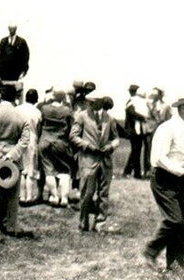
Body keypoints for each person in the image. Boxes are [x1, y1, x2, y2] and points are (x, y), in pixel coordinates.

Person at [143, 95, 184, 273]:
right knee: (174, 219)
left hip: (178, 180)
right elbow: (159, 158)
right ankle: (150, 251)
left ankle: (176, 267)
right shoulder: (167, 128)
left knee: (179, 225)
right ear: (183, 109)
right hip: (163, 178)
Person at [0, 82, 33, 237]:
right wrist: (11, 156)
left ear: (0, 95)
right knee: (12, 194)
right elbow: (24, 141)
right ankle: (11, 226)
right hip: (14, 161)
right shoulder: (22, 117)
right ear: (15, 97)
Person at [71, 91, 119, 232]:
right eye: (89, 102)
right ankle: (83, 222)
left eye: (93, 102)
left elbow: (116, 138)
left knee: (104, 193)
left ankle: (100, 222)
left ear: (100, 102)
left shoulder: (109, 118)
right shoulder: (82, 117)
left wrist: (111, 146)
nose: (90, 104)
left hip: (105, 160)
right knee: (87, 192)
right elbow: (73, 136)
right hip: (88, 160)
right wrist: (87, 146)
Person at [38, 86, 76, 207]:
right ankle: (63, 198)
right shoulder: (67, 110)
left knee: (48, 170)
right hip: (61, 142)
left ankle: (54, 196)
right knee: (64, 170)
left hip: (44, 141)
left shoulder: (44, 109)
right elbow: (71, 127)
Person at [15, 88, 43, 205]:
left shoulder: (17, 109)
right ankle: (29, 196)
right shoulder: (37, 112)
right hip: (32, 138)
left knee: (21, 169)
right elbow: (39, 128)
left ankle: (21, 196)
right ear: (35, 99)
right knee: (31, 169)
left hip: (19, 138)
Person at [122, 85, 151, 178]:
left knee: (135, 151)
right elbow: (132, 113)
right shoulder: (132, 101)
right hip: (134, 131)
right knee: (136, 151)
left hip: (136, 131)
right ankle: (136, 173)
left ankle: (128, 171)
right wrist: (143, 117)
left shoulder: (133, 101)